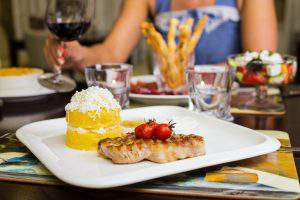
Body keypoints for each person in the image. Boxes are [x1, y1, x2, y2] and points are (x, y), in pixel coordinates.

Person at [44, 0, 277, 71]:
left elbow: (260, 61)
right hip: (172, 110)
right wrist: (78, 53)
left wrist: (194, 76)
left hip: (234, 112)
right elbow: (111, 53)